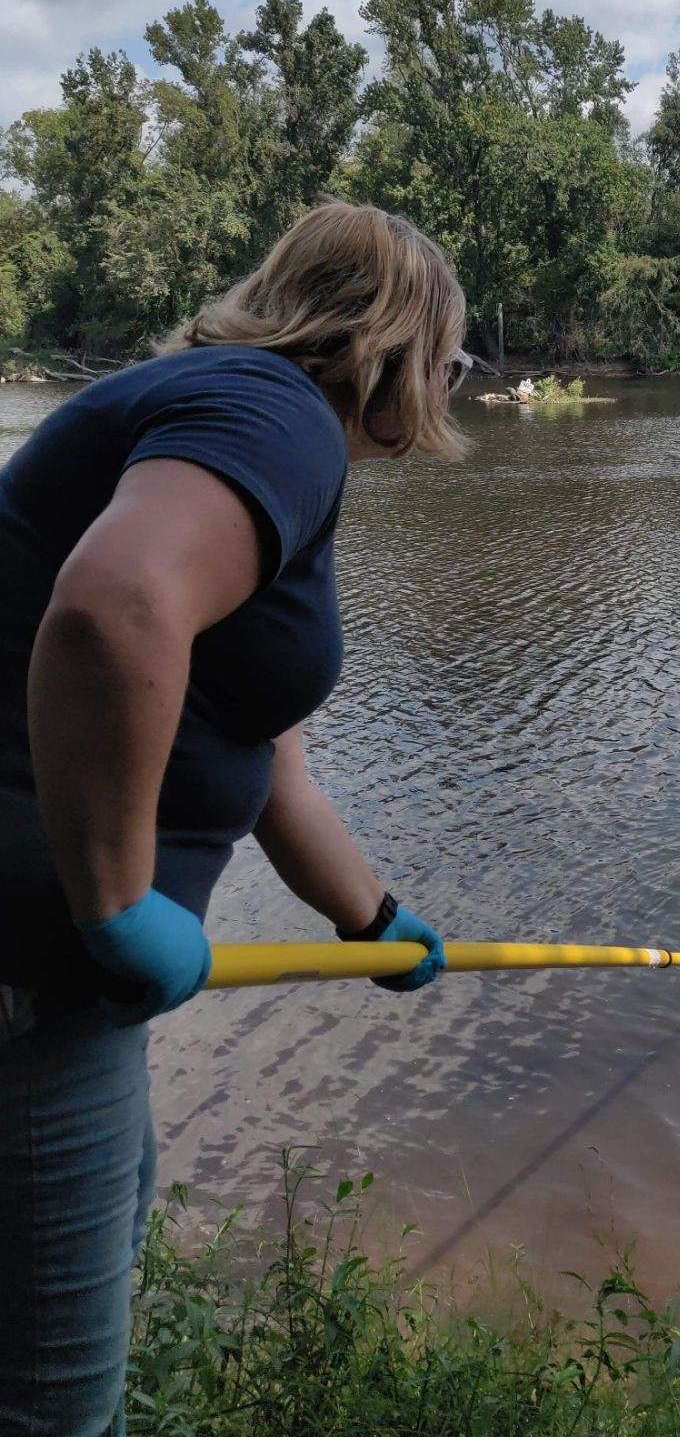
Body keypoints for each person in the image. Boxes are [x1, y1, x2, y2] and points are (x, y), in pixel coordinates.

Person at [0, 201, 473, 1435]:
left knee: (113, 1216)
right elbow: (110, 608)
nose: (447, 397)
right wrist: (112, 902)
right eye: (451, 362)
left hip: (56, 983)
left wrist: (370, 917)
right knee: (54, 1408)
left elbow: (273, 769)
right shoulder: (274, 416)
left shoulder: (225, 425)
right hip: (31, 961)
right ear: (390, 349)